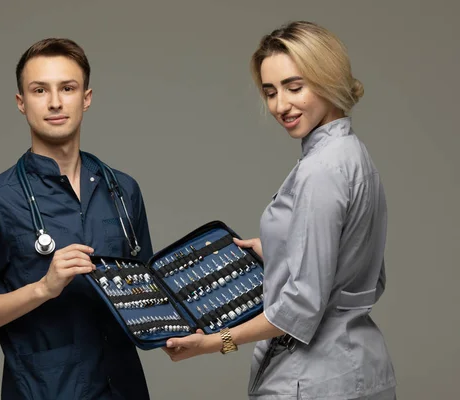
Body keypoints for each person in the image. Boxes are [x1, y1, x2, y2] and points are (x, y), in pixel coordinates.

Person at [163, 21, 397, 399]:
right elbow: (371, 276)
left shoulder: (319, 171)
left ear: (327, 78)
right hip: (363, 369)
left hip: (313, 380)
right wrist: (280, 252)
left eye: (294, 87)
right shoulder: (355, 156)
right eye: (270, 92)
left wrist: (215, 342)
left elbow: (302, 307)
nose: (280, 105)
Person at [0, 38, 153, 400]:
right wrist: (43, 288)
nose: (55, 102)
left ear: (86, 98)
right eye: (40, 89)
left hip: (125, 390)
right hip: (45, 391)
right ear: (21, 102)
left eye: (67, 88)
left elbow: (148, 295)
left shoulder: (123, 190)